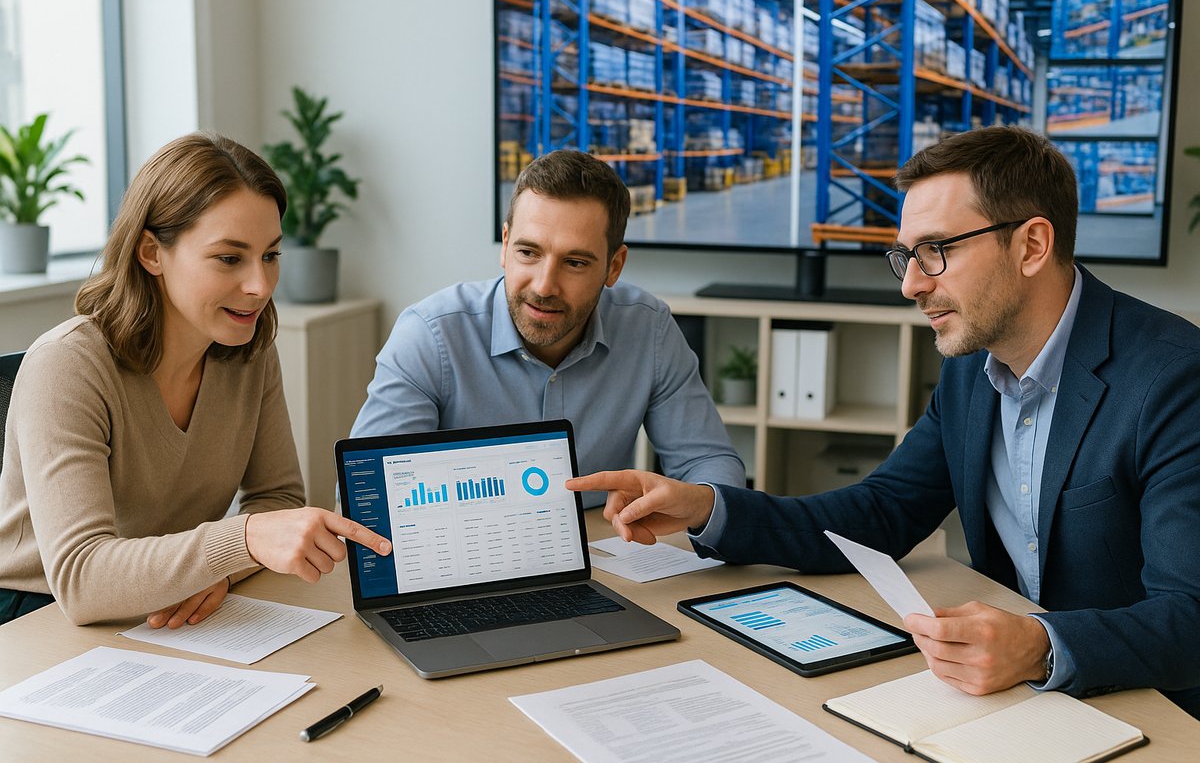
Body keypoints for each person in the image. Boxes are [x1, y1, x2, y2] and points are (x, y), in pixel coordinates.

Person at [568, 126, 1200, 718]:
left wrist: (1040, 643)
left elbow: (1190, 615)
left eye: (936, 252)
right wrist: (710, 508)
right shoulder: (972, 368)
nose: (912, 286)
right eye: (906, 258)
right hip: (1013, 698)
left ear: (1032, 244)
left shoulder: (1174, 381)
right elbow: (882, 512)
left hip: (1148, 706)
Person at [0, 132, 391, 628]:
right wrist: (238, 542)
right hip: (34, 616)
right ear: (151, 253)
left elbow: (278, 499)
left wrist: (218, 571)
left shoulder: (248, 348)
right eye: (230, 258)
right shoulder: (67, 365)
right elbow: (81, 578)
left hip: (167, 604)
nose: (260, 286)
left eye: (270, 255)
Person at [351, 149, 744, 507]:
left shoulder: (649, 329)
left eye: (575, 262)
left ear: (614, 266)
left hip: (603, 560)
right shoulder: (430, 335)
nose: (543, 286)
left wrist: (694, 501)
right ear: (505, 246)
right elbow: (368, 493)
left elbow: (711, 465)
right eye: (528, 252)